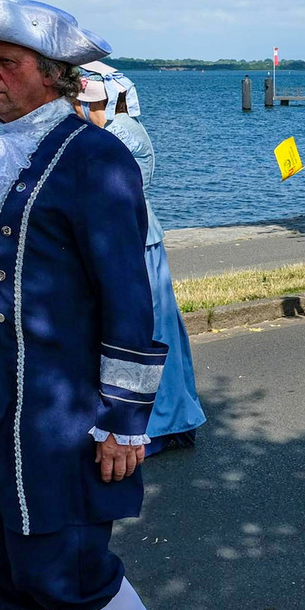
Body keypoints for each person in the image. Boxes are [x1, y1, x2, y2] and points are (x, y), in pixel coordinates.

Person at [0, 0, 190, 610]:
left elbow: (130, 293)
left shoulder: (92, 155)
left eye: (7, 63)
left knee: (64, 565)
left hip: (56, 409)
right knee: (5, 564)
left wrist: (125, 422)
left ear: (54, 74)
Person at [76, 74, 205, 453]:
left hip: (136, 236)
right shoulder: (114, 128)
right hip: (133, 233)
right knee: (151, 326)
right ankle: (166, 419)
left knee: (147, 329)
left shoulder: (121, 130)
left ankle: (159, 423)